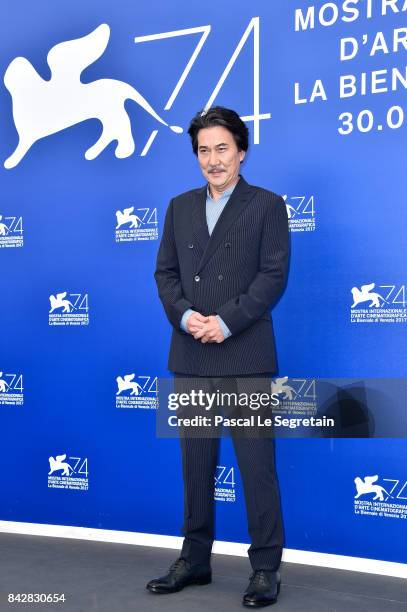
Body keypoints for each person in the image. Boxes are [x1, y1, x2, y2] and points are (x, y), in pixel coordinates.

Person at [148, 106, 289, 607]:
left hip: (245, 354)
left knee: (256, 467)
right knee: (196, 465)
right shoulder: (179, 206)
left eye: (221, 148)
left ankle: (266, 567)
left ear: (241, 151)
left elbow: (272, 278)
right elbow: (165, 275)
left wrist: (224, 321)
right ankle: (195, 559)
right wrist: (187, 318)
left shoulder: (267, 205)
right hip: (190, 356)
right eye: (203, 150)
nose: (212, 159)